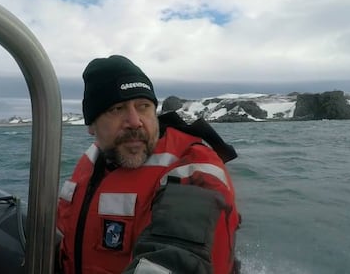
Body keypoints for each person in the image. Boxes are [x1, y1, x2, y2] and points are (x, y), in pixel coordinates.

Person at [56, 55, 241, 274]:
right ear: (92, 126)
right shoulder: (94, 160)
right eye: (117, 109)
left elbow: (177, 258)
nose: (135, 121)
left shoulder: (193, 167)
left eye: (143, 106)